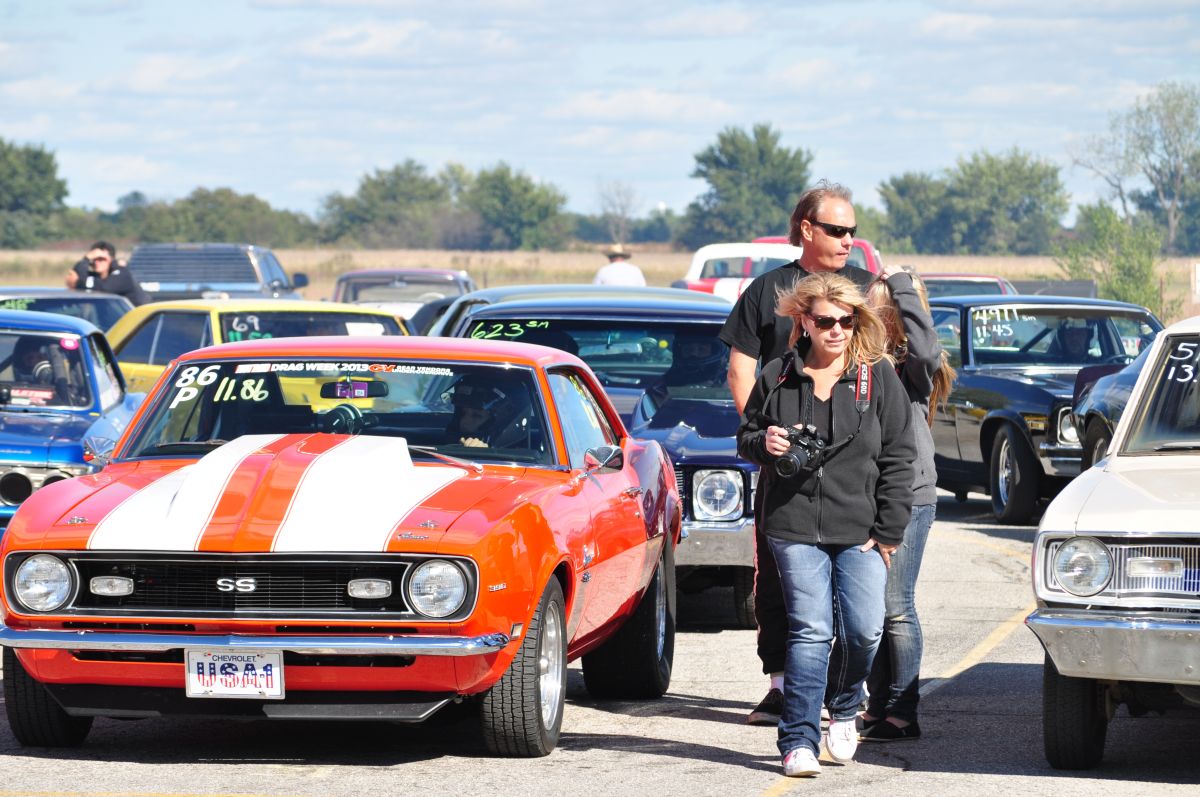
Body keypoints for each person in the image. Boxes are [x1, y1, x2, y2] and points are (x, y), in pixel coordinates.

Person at [737, 272, 914, 776]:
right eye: (825, 321)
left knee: (864, 630)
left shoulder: (877, 377)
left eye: (846, 320)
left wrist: (889, 529)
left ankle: (844, 705)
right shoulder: (777, 375)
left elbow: (900, 456)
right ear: (805, 322)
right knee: (811, 630)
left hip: (861, 530)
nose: (837, 330)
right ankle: (797, 740)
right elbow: (746, 436)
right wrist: (764, 443)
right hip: (792, 526)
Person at [719, 180, 877, 726]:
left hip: (853, 465)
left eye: (853, 231)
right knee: (778, 579)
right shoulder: (767, 290)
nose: (848, 240)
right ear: (807, 229)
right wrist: (764, 436)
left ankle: (850, 690)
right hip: (786, 464)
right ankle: (782, 685)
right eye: (836, 230)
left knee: (857, 589)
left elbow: (891, 369)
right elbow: (740, 369)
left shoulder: (865, 289)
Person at [859, 266, 956, 743]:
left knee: (896, 606)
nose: (879, 310)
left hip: (911, 495)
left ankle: (903, 708)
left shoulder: (914, 368)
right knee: (871, 608)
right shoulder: (862, 358)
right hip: (865, 494)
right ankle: (879, 704)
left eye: (888, 304)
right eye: (876, 301)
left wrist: (901, 287)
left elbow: (927, 349)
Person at [446, 373, 530, 448]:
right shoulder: (442, 446)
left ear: (501, 421)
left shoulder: (521, 455)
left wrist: (482, 454)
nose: (464, 421)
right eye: (462, 413)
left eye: (476, 416)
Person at [64, 241, 149, 306]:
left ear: (111, 259)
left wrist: (78, 283)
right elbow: (77, 276)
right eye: (93, 259)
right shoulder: (96, 277)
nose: (97, 263)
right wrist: (86, 259)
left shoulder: (122, 274)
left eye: (101, 259)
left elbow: (104, 289)